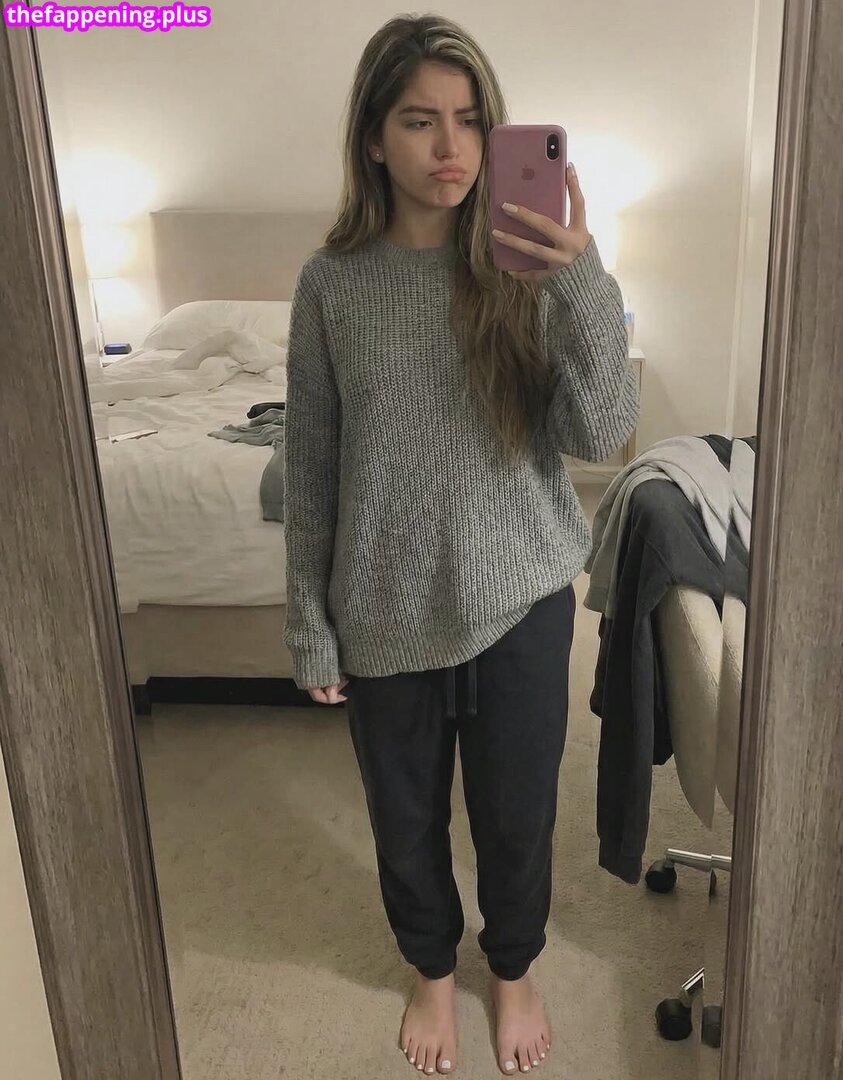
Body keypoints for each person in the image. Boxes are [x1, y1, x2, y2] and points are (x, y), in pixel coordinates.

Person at [283, 13, 639, 1077]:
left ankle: (513, 967)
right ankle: (432, 970)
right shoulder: (331, 285)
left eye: (472, 120)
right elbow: (312, 465)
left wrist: (582, 279)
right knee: (404, 823)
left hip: (521, 596)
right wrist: (309, 624)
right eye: (419, 120)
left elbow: (600, 433)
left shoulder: (526, 268)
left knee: (517, 816)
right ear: (372, 137)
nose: (451, 146)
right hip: (384, 608)